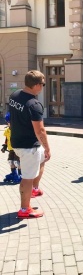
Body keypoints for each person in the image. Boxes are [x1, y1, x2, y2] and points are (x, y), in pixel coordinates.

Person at [9, 70, 51, 219]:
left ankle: (33, 189)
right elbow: (40, 131)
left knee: (42, 160)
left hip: (17, 142)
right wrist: (47, 147)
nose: (43, 87)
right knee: (27, 177)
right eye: (43, 84)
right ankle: (24, 209)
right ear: (37, 85)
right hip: (28, 147)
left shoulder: (15, 95)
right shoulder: (34, 105)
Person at [1, 112, 22, 184]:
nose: (8, 123)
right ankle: (14, 174)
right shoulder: (7, 130)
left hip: (17, 149)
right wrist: (4, 146)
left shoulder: (17, 130)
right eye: (8, 122)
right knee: (10, 161)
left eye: (9, 122)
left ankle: (20, 174)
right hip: (10, 149)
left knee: (17, 162)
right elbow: (7, 139)